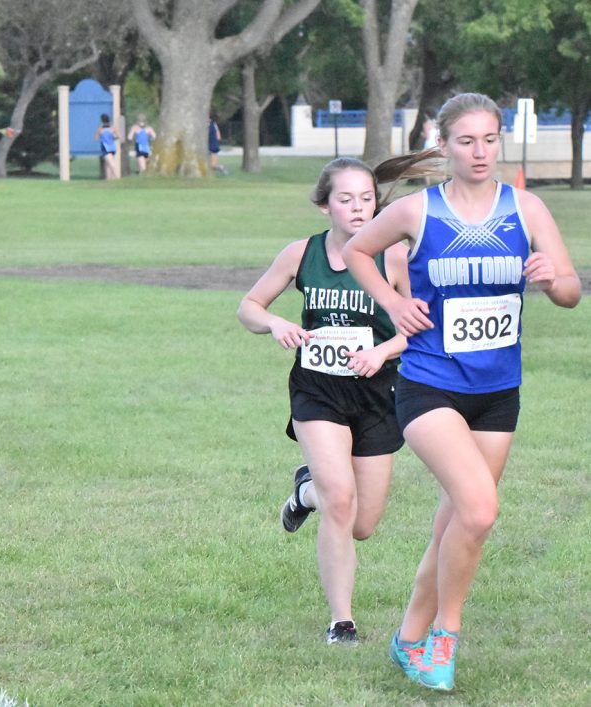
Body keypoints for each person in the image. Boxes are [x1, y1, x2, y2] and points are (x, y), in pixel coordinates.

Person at [342, 93, 581, 691]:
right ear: (444, 144)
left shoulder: (525, 208)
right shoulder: (419, 212)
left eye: (489, 140)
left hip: (498, 392)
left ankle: (407, 639)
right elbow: (356, 250)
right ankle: (444, 639)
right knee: (478, 509)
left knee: (456, 524)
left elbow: (573, 288)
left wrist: (554, 281)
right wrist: (394, 304)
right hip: (429, 384)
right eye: (467, 141)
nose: (479, 152)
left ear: (501, 142)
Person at [238, 157, 410, 645]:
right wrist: (275, 323)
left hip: (377, 391)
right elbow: (248, 307)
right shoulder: (301, 254)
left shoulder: (394, 258)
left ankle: (302, 493)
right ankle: (341, 621)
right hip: (317, 390)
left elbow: (421, 328)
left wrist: (381, 351)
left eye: (366, 198)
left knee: (361, 523)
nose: (358, 208)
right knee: (340, 498)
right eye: (345, 199)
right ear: (324, 206)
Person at [94, 113, 119, 180]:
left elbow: (96, 138)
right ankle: (109, 179)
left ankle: (116, 177)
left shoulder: (101, 129)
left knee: (111, 164)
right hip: (111, 147)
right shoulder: (112, 128)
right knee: (108, 164)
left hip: (107, 147)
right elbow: (117, 136)